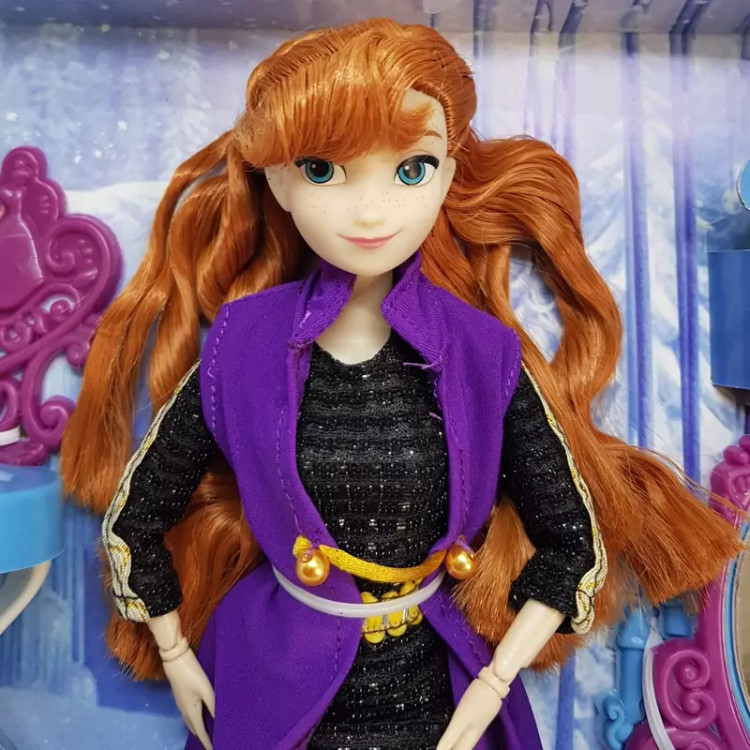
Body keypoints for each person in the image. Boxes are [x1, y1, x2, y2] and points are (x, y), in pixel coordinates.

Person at [60, 18, 742, 750]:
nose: (370, 211)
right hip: (277, 680)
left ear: (447, 174)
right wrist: (175, 654)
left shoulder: (482, 352)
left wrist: (493, 683)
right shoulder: (243, 344)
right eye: (322, 170)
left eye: (410, 169)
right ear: (278, 181)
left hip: (439, 695)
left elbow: (570, 544)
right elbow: (136, 522)